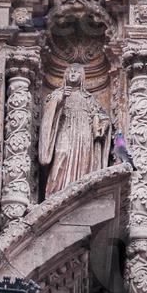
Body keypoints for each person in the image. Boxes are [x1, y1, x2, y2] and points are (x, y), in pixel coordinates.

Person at [39, 64, 111, 196]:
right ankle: (56, 193)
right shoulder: (57, 94)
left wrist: (101, 124)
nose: (73, 74)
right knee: (62, 155)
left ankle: (81, 194)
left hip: (83, 134)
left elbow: (101, 115)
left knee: (83, 161)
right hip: (65, 130)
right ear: (65, 75)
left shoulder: (89, 98)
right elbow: (48, 116)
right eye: (70, 71)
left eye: (76, 72)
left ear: (82, 76)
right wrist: (60, 99)